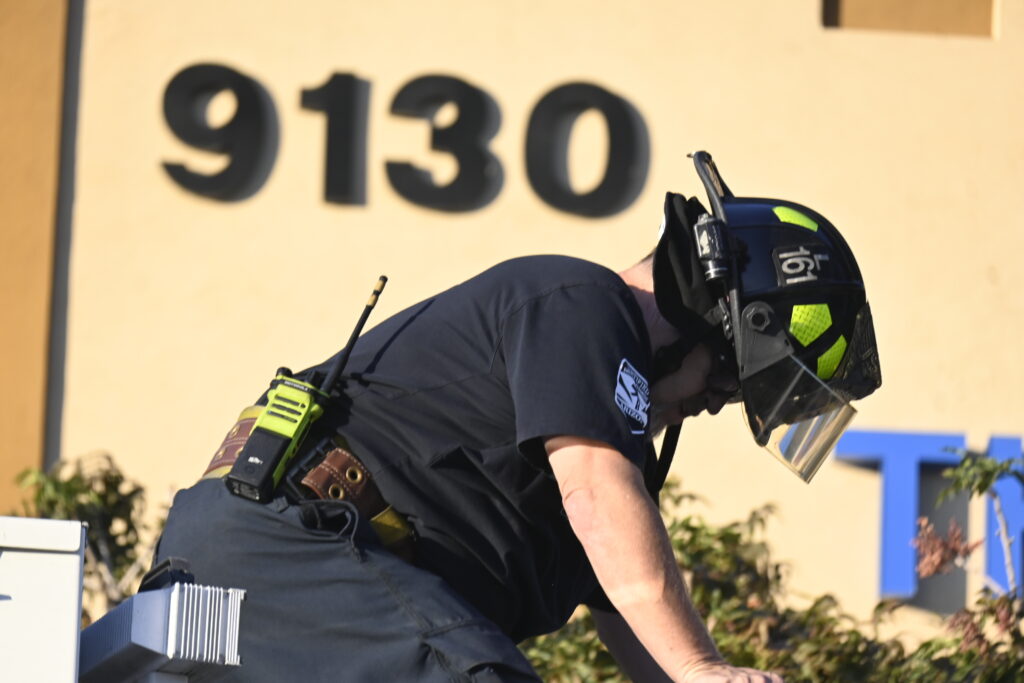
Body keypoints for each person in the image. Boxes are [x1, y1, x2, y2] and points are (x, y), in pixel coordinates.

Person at [151, 152, 880, 682]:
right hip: (289, 554)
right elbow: (597, 499)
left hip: (307, 586)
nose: (714, 402)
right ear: (710, 321)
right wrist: (700, 667)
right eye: (726, 379)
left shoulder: (591, 438)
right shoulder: (580, 306)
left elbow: (630, 610)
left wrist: (696, 671)